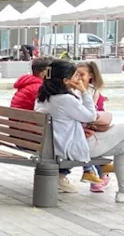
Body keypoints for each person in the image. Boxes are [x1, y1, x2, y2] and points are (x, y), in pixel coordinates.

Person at [35, 59, 124, 199]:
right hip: (70, 148)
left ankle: (122, 193)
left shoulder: (43, 97)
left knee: (123, 146)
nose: (78, 79)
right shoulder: (65, 99)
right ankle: (122, 192)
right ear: (65, 80)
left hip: (53, 146)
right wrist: (84, 92)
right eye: (75, 75)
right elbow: (91, 116)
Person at [75, 61, 113, 190]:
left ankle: (95, 171)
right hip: (83, 127)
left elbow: (92, 114)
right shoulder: (73, 90)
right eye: (76, 74)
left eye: (82, 74)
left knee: (85, 140)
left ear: (90, 75)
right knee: (82, 139)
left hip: (91, 127)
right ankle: (99, 169)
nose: (79, 77)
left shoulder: (93, 92)